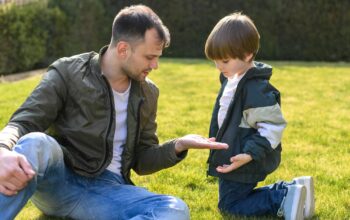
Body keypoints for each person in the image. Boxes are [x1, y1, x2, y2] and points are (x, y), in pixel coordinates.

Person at [0, 5, 228, 220]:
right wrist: (2, 150)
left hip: (107, 191)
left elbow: (142, 159)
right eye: (150, 57)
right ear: (122, 49)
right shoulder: (68, 72)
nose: (155, 65)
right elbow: (23, 122)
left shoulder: (148, 94)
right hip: (59, 180)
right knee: (36, 142)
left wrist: (178, 146)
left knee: (175, 210)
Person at [204, 12, 315, 220]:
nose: (219, 67)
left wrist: (248, 154)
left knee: (231, 206)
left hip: (244, 157)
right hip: (234, 153)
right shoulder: (234, 78)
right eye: (215, 61)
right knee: (239, 197)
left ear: (247, 55)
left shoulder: (255, 89)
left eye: (225, 61)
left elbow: (273, 127)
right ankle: (295, 189)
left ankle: (282, 198)